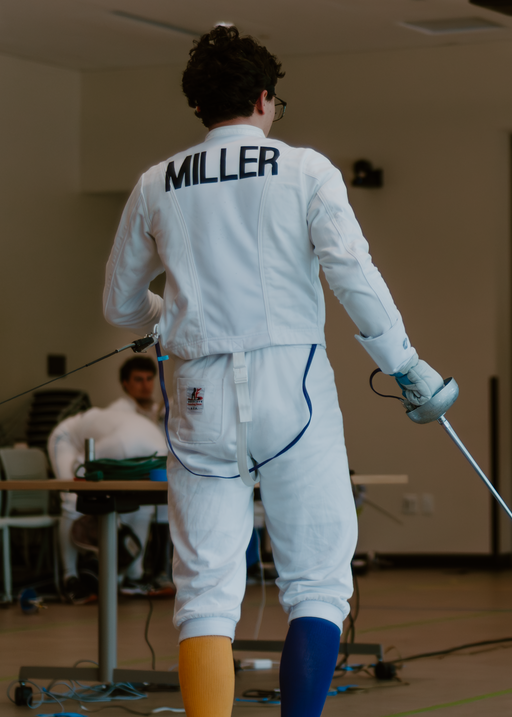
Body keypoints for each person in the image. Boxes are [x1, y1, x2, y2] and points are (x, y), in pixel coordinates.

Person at [101, 27, 444, 717]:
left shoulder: (156, 182)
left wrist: (169, 318)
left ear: (200, 108)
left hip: (198, 396)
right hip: (295, 393)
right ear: (264, 99)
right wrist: (406, 366)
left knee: (204, 594)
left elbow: (119, 303)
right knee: (317, 583)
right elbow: (354, 276)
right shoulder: (305, 169)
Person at [48, 395, 167, 604]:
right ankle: (70, 578)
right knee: (72, 498)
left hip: (110, 444)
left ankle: (133, 576)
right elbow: (81, 467)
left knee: (144, 508)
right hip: (69, 440)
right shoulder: (123, 445)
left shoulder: (162, 450)